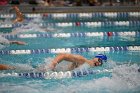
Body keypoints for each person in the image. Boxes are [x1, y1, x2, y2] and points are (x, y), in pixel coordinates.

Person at [0, 53, 107, 71]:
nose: (99, 63)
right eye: (99, 60)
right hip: (51, 69)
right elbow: (63, 55)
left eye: (102, 62)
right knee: (20, 70)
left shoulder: (88, 66)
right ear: (95, 58)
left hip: (57, 72)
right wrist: (54, 63)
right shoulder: (83, 60)